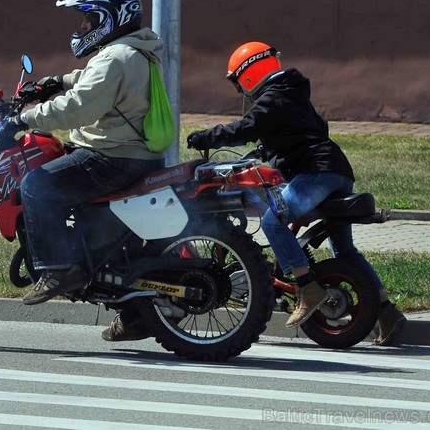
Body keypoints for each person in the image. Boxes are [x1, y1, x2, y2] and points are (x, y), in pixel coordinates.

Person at [103, 41, 406, 346]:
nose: (240, 91)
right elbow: (300, 132)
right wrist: (268, 149)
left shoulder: (274, 97)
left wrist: (205, 136)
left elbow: (247, 126)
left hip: (317, 174)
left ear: (248, 74)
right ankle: (387, 313)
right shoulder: (292, 92)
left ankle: (306, 286)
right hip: (336, 172)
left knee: (274, 220)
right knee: (345, 251)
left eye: (238, 83)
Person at [0, 0, 165, 306]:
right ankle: (133, 313)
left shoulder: (116, 57)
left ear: (110, 18)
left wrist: (24, 119)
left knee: (36, 185)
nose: (83, 27)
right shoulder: (134, 51)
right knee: (103, 230)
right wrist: (57, 82)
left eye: (89, 19)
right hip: (134, 154)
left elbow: (78, 107)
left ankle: (59, 269)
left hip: (113, 157)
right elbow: (94, 79)